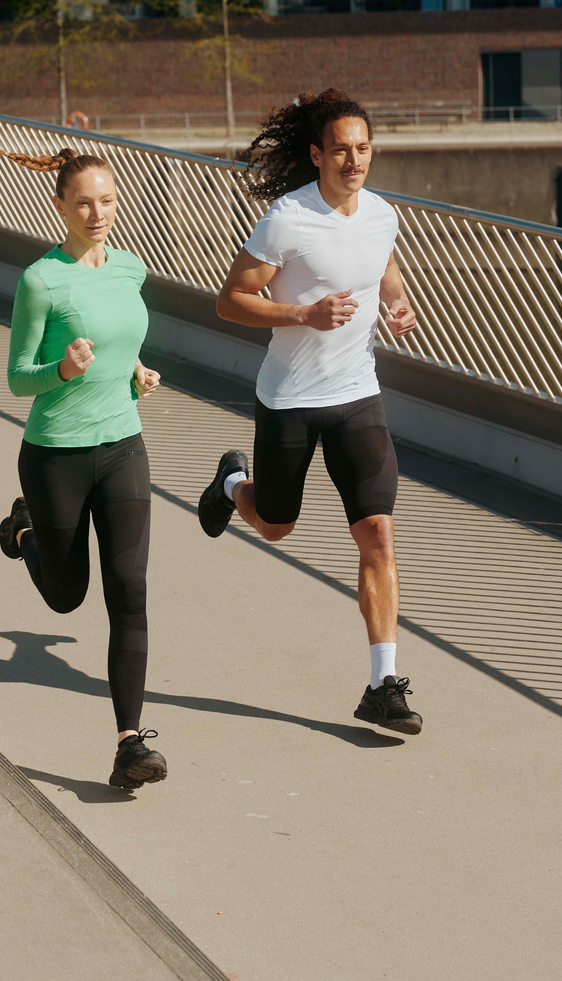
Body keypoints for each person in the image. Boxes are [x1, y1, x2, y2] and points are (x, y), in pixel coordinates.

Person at [195, 89, 424, 735]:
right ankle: (232, 484)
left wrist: (399, 304)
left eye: (363, 149)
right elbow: (230, 300)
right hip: (291, 398)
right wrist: (302, 313)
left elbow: (384, 266)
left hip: (357, 396)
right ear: (318, 156)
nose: (354, 161)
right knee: (275, 525)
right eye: (342, 151)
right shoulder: (286, 220)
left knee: (377, 533)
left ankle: (384, 683)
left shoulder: (382, 215)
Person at [0, 140, 168, 788]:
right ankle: (25, 530)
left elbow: (123, 342)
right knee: (66, 596)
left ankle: (129, 744)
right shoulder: (41, 279)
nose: (97, 213)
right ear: (59, 204)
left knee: (129, 590)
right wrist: (62, 369)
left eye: (107, 201)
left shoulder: (131, 269)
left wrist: (133, 371)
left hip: (122, 446)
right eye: (83, 202)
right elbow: (16, 379)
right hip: (55, 455)